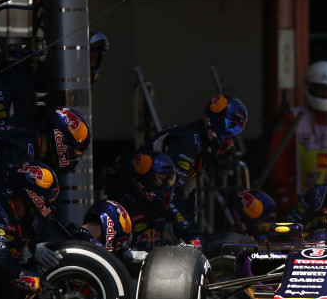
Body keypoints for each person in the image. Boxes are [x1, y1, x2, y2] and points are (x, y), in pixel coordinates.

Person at [119, 94, 247, 226]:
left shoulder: (203, 148)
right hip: (129, 197)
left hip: (150, 202)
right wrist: (187, 230)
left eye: (236, 130)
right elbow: (174, 191)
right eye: (229, 125)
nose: (231, 135)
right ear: (213, 119)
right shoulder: (189, 141)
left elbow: (187, 194)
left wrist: (189, 225)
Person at [0, 161, 61, 299]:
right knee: (13, 283)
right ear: (32, 193)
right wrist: (33, 282)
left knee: (39, 298)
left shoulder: (27, 220)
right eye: (47, 197)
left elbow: (19, 260)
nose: (50, 203)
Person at [267, 61, 327, 215]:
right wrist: (285, 196)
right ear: (309, 87)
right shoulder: (292, 118)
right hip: (297, 201)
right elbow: (276, 160)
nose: (323, 93)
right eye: (319, 89)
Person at [107, 150, 201, 252]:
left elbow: (187, 230)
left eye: (169, 180)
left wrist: (194, 243)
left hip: (157, 263)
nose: (165, 186)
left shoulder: (166, 205)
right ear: (143, 178)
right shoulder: (119, 206)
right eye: (159, 179)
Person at [0, 106, 91, 198]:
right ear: (61, 139)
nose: (70, 159)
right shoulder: (20, 151)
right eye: (72, 153)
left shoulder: (26, 140)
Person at [67, 199, 145, 276]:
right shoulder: (79, 237)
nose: (117, 249)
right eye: (118, 244)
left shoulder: (78, 236)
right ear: (111, 229)